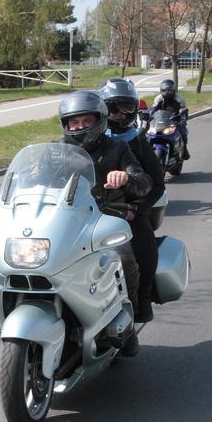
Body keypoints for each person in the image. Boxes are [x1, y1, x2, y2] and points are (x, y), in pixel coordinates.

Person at [58, 90, 152, 356]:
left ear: (98, 121)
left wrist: (126, 178)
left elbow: (144, 183)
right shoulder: (58, 151)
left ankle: (128, 323)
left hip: (105, 222)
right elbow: (36, 180)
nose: (79, 127)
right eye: (74, 122)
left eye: (86, 121)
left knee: (124, 260)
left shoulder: (117, 149)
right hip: (67, 223)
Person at [97, 78, 165, 324]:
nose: (119, 114)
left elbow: (156, 184)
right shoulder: (86, 139)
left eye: (126, 108)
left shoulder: (136, 142)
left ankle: (140, 301)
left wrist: (138, 208)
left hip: (125, 211)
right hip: (85, 211)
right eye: (112, 108)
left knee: (142, 247)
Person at [149, 79, 190, 160]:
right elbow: (153, 109)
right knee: (148, 133)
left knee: (182, 132)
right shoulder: (158, 98)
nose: (167, 93)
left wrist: (183, 119)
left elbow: (183, 110)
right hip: (161, 120)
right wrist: (149, 116)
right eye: (164, 91)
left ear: (174, 90)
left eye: (169, 91)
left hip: (175, 120)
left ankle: (184, 148)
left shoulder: (179, 99)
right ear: (161, 91)